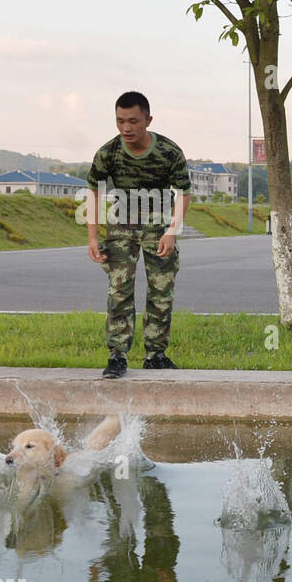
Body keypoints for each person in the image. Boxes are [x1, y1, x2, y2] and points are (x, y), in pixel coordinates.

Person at [85, 91, 191, 379]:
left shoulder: (169, 152)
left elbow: (184, 193)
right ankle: (117, 355)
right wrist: (93, 237)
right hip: (121, 226)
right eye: (120, 121)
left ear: (148, 120)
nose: (126, 128)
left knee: (161, 289)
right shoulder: (108, 153)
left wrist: (172, 231)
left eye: (133, 121)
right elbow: (93, 191)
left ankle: (155, 355)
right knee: (119, 290)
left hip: (159, 225)